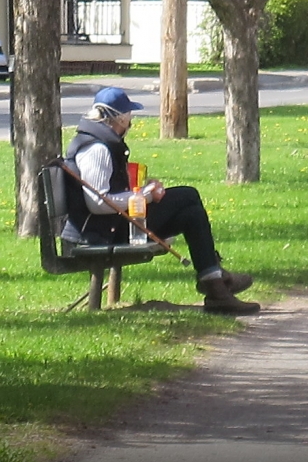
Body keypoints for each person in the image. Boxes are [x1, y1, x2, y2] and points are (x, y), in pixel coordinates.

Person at [64, 87, 257, 314]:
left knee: (190, 212)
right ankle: (215, 283)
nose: (131, 122)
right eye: (130, 116)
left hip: (112, 225)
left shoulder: (102, 141)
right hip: (101, 233)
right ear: (121, 118)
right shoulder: (96, 148)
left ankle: (215, 282)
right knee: (187, 195)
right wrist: (145, 195)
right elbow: (97, 203)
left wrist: (143, 189)